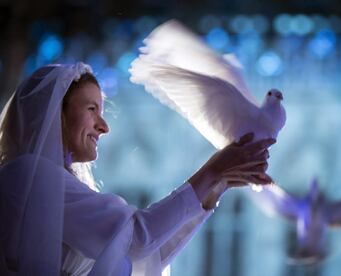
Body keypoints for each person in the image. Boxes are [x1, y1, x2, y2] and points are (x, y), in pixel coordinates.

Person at [0, 62, 275, 275]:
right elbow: (138, 238)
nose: (104, 126)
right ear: (54, 113)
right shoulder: (27, 175)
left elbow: (144, 254)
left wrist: (214, 188)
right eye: (92, 109)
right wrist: (211, 171)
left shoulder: (39, 178)